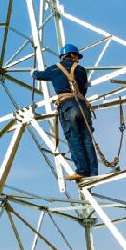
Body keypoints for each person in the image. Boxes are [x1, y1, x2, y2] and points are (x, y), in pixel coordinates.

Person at [32, 44, 98, 180]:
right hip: (83, 107)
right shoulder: (81, 70)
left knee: (74, 137)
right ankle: (93, 172)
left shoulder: (54, 69)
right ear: (72, 55)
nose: (78, 60)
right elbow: (83, 89)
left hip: (68, 106)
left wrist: (33, 72)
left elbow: (39, 75)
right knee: (87, 138)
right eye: (77, 57)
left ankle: (82, 171)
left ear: (63, 56)